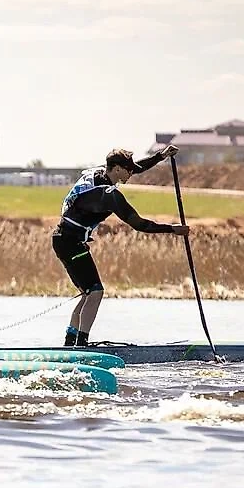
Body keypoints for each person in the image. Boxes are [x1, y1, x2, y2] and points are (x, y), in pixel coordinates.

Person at [53, 146, 190, 347]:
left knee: (89, 293)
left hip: (63, 239)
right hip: (70, 243)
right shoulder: (109, 195)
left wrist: (161, 156)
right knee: (96, 292)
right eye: (127, 170)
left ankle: (71, 341)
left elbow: (138, 167)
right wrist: (172, 229)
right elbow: (140, 224)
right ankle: (81, 344)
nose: (131, 174)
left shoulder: (100, 172)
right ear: (117, 169)